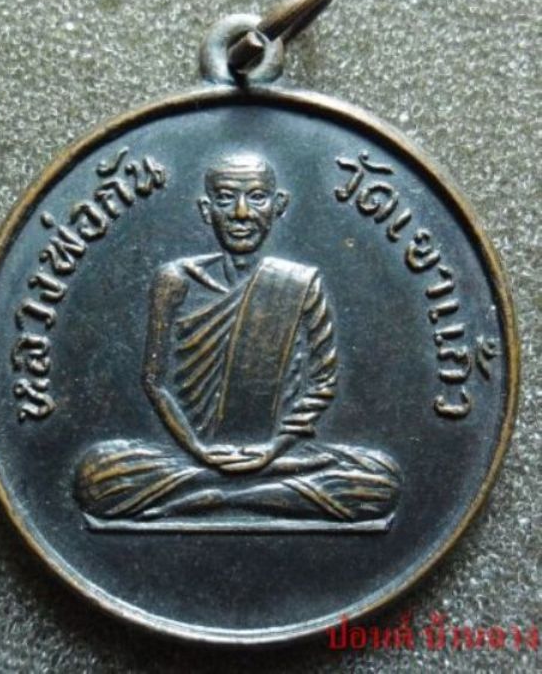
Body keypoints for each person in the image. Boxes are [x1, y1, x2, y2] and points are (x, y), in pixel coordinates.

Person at [75, 154, 400, 526]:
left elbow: (323, 382)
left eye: (257, 197)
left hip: (277, 455)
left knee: (380, 480)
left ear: (279, 206)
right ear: (206, 209)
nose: (241, 213)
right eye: (226, 198)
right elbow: (153, 380)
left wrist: (271, 451)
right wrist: (200, 451)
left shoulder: (300, 283)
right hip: (188, 455)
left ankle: (216, 498)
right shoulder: (175, 279)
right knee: (96, 478)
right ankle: (257, 495)